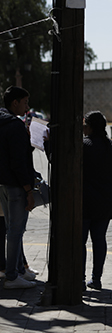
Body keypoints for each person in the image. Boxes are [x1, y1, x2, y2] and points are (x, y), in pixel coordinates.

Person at [82, 111, 112, 290]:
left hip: (85, 201)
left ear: (91, 126)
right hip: (106, 201)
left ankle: (80, 279)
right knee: (99, 239)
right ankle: (96, 278)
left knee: (80, 241)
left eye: (85, 124)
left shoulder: (83, 145)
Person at [0, 86, 37, 289]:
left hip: (3, 184)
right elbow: (18, 162)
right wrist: (29, 190)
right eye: (25, 103)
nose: (27, 107)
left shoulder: (4, 122)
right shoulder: (14, 125)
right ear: (15, 103)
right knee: (16, 230)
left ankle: (19, 271)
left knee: (10, 228)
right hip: (15, 186)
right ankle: (13, 276)